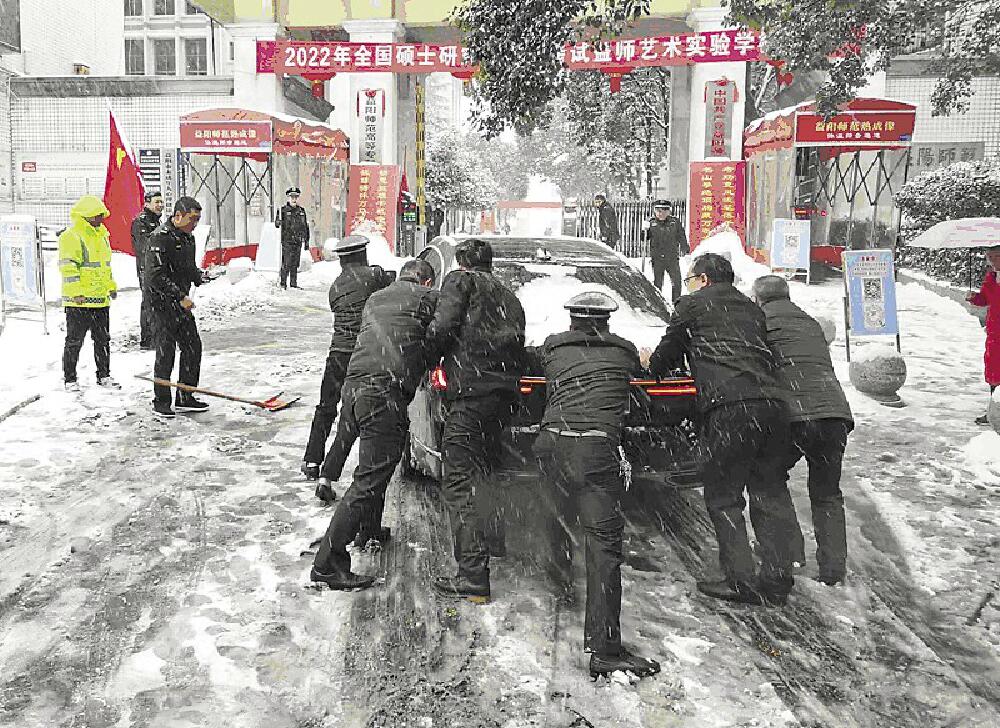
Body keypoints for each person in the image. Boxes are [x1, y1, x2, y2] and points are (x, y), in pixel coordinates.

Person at [647, 253, 799, 606]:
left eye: (690, 280)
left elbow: (668, 354)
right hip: (774, 405)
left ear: (702, 279)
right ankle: (777, 579)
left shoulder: (693, 304)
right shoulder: (752, 309)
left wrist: (650, 365)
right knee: (769, 492)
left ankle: (740, 579)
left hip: (731, 406)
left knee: (724, 494)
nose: (688, 286)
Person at [533, 291, 662, 679]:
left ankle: (558, 577)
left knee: (554, 511)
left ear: (572, 319)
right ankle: (604, 648)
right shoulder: (624, 351)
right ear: (606, 321)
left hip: (551, 444)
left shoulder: (552, 347)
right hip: (594, 448)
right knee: (604, 545)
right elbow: (642, 379)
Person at [310, 259, 439, 590]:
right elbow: (440, 337)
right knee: (368, 481)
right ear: (427, 282)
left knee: (372, 466)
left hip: (354, 387)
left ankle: (368, 529)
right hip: (383, 393)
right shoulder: (427, 299)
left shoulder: (377, 298)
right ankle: (327, 564)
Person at [427, 238, 526, 601]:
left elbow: (441, 328)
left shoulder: (461, 281)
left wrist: (427, 356)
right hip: (502, 397)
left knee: (457, 480)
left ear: (462, 261)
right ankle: (495, 541)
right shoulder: (509, 296)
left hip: (470, 392)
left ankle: (473, 575)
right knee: (488, 471)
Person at [753, 275, 854, 586]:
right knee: (827, 493)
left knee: (769, 478)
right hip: (834, 413)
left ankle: (789, 551)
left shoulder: (760, 321)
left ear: (758, 298)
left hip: (794, 415)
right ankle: (833, 569)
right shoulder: (809, 322)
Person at [304, 235, 394, 497]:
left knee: (326, 406)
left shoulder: (336, 287)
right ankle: (333, 471)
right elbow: (390, 285)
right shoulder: (374, 275)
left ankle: (312, 459)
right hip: (362, 354)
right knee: (352, 412)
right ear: (362, 255)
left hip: (337, 353)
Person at [145, 197, 210, 419]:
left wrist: (199, 276)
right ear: (178, 216)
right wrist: (179, 296)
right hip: (161, 304)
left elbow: (187, 267)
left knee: (193, 347)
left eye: (198, 220)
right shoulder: (159, 238)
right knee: (166, 352)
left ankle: (185, 396)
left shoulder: (188, 238)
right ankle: (161, 401)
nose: (195, 224)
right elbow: (155, 276)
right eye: (192, 219)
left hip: (180, 304)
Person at [59, 195, 119, 392]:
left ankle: (104, 375)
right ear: (86, 215)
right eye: (97, 215)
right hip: (79, 301)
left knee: (102, 340)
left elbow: (104, 266)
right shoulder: (72, 236)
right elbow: (68, 267)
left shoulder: (102, 235)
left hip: (100, 299)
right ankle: (70, 379)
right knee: (74, 341)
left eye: (102, 215)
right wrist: (76, 292)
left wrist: (111, 286)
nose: (101, 219)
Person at [967, 246, 1000, 425]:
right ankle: (994, 413)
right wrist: (974, 297)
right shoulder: (991, 277)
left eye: (997, 256)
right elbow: (985, 299)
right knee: (994, 372)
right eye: (990, 257)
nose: (993, 260)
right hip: (994, 334)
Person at [131, 190, 164, 350]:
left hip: (157, 267)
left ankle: (157, 337)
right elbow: (145, 247)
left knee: (158, 302)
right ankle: (148, 340)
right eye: (156, 202)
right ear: (147, 204)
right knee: (149, 302)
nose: (160, 205)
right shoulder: (140, 222)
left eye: (161, 202)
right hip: (147, 268)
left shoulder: (157, 221)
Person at [642, 200, 689, 302]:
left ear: (669, 211)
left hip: (672, 257)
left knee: (676, 282)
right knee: (657, 283)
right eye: (658, 210)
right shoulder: (651, 223)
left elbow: (681, 236)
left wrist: (685, 250)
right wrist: (644, 230)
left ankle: (676, 303)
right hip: (657, 258)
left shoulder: (674, 222)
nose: (661, 213)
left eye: (664, 210)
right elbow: (644, 239)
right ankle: (658, 303)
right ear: (655, 211)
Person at [274, 186, 310, 289]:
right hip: (287, 241)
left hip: (298, 241)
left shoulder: (301, 211)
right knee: (287, 262)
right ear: (288, 198)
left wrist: (306, 241)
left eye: (296, 197)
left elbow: (305, 226)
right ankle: (283, 283)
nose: (294, 199)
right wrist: (278, 222)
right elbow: (277, 224)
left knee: (295, 263)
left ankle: (293, 284)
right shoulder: (283, 210)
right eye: (292, 197)